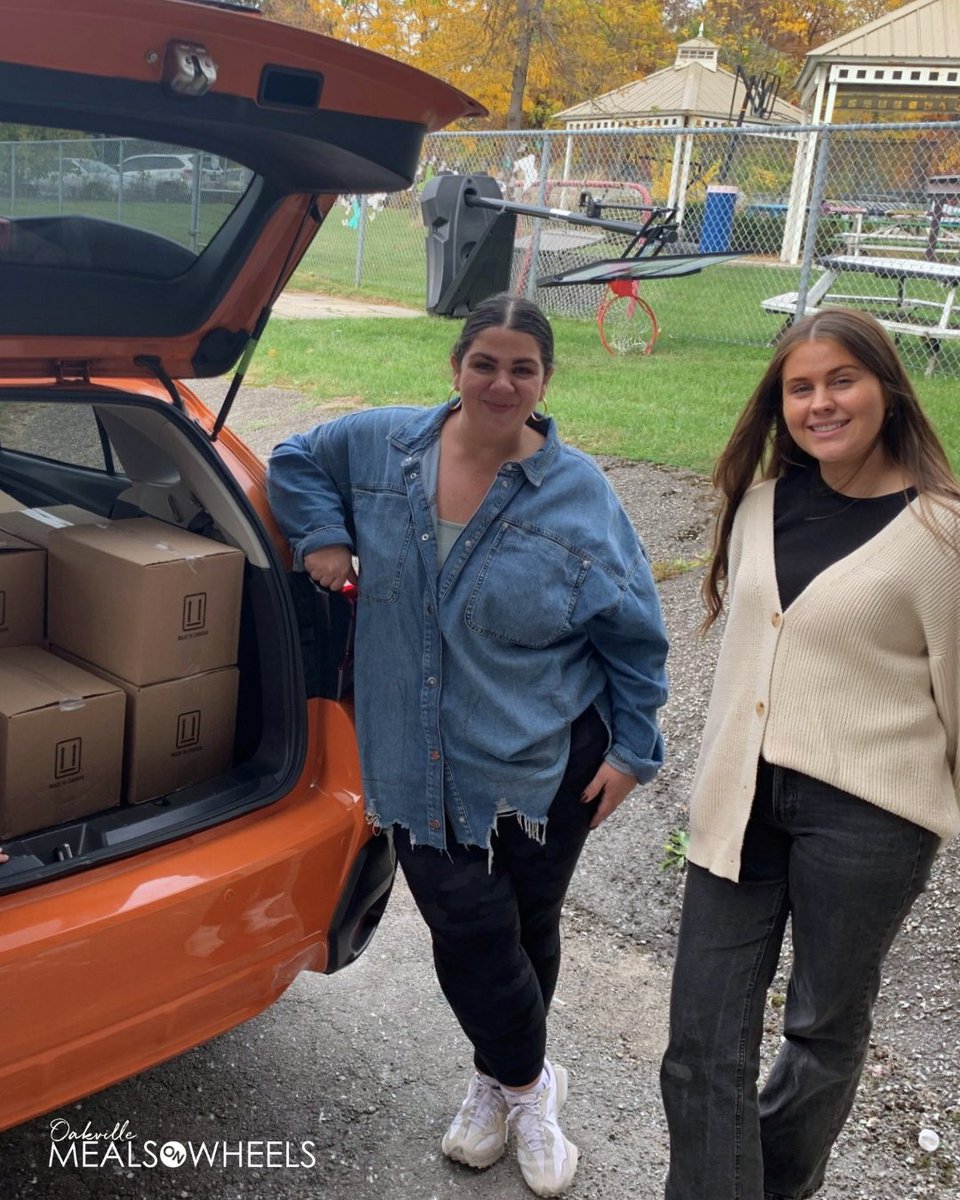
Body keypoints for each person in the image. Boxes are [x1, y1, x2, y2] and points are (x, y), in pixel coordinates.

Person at [268, 293, 668, 1198]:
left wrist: (633, 751)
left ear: (545, 381)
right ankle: (530, 1087)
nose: (501, 382)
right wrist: (324, 536)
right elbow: (294, 457)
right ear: (456, 367)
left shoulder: (579, 494)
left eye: (523, 368)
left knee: (526, 926)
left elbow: (635, 633)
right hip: (415, 762)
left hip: (546, 764)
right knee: (466, 925)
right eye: (484, 362)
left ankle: (496, 1078)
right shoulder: (383, 446)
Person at [660, 308, 960, 1200]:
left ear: (887, 390)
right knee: (700, 1041)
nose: (821, 403)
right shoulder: (759, 506)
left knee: (821, 1032)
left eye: (842, 381)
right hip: (739, 801)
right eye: (800, 388)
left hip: (870, 819)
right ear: (780, 405)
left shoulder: (941, 533)